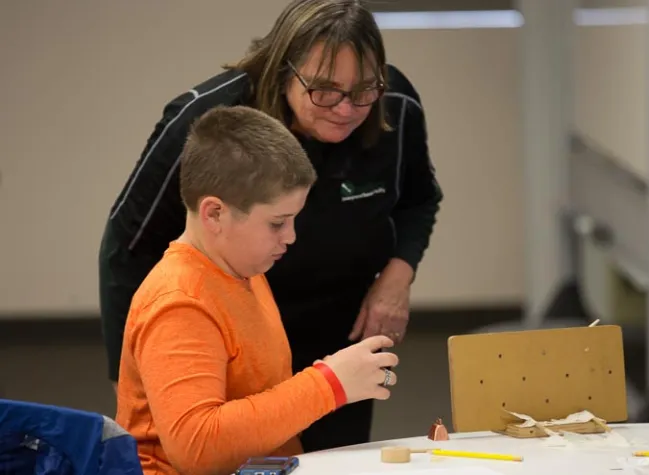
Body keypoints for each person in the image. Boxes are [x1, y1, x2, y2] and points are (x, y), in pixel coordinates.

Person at [99, 0, 442, 451]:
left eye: (363, 90)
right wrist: (138, 382)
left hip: (338, 329)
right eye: (324, 91)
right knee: (225, 440)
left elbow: (420, 200)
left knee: (322, 455)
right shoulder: (212, 122)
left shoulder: (393, 104)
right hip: (230, 339)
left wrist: (396, 278)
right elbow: (127, 247)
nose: (346, 108)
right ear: (284, 73)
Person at [115, 105, 400, 475]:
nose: (291, 237)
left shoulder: (242, 268)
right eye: (277, 223)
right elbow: (197, 448)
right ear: (214, 214)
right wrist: (328, 385)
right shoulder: (180, 302)